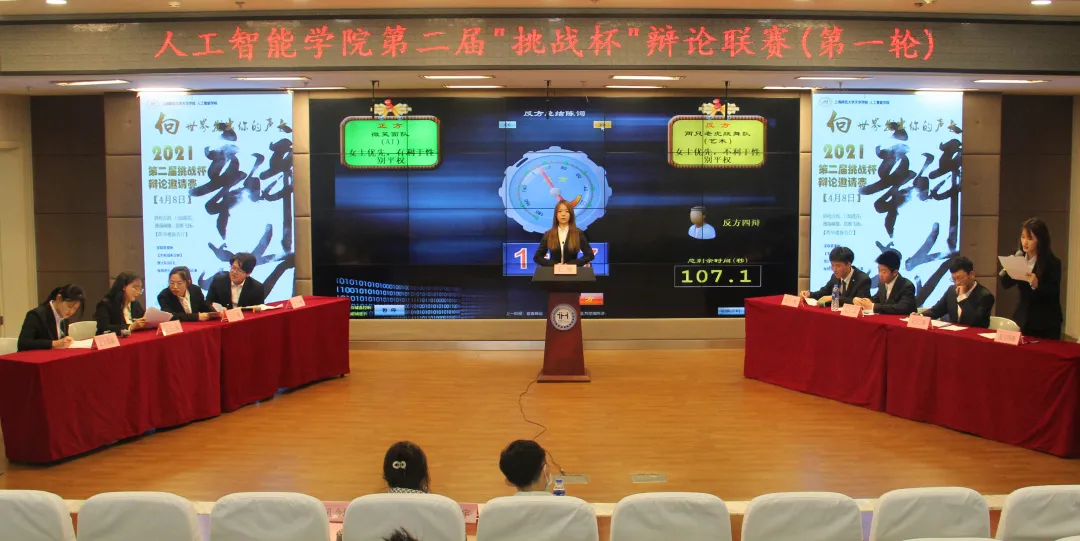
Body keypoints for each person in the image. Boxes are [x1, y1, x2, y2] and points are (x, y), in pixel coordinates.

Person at [1000, 218, 1063, 339]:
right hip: (1023, 318)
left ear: (1040, 240)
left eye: (1030, 238)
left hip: (1045, 322)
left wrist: (1037, 284)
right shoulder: (1019, 257)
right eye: (1023, 237)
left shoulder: (1052, 263)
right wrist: (1009, 268)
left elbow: (1053, 292)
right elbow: (1006, 284)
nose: (1025, 242)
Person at [924, 256, 995, 328]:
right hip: (953, 333)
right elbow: (936, 311)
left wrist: (962, 297)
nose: (957, 283)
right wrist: (920, 316)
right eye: (953, 279)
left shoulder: (985, 296)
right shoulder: (951, 291)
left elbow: (973, 321)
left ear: (971, 275)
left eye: (960, 278)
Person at [17, 284, 85, 351]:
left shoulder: (64, 317)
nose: (71, 311)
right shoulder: (36, 315)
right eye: (69, 306)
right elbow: (23, 344)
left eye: (75, 309)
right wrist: (53, 343)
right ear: (59, 298)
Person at [800, 246, 871, 307]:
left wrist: (834, 298)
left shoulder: (863, 279)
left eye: (838, 266)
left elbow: (861, 303)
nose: (834, 269)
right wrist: (809, 294)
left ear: (848, 264)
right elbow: (823, 292)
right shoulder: (834, 277)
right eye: (832, 265)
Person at [533, 201, 595, 268]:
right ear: (556, 214)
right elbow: (537, 257)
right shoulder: (549, 234)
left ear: (571, 214)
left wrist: (574, 264)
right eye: (560, 211)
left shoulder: (578, 233)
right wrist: (553, 265)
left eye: (567, 211)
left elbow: (589, 255)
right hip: (553, 272)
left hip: (573, 272)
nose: (563, 214)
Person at [853, 250, 917, 315]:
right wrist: (863, 302)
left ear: (895, 272)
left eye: (884, 272)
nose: (880, 274)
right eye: (879, 270)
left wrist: (874, 307)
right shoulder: (882, 283)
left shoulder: (907, 286)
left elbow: (902, 307)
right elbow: (877, 298)